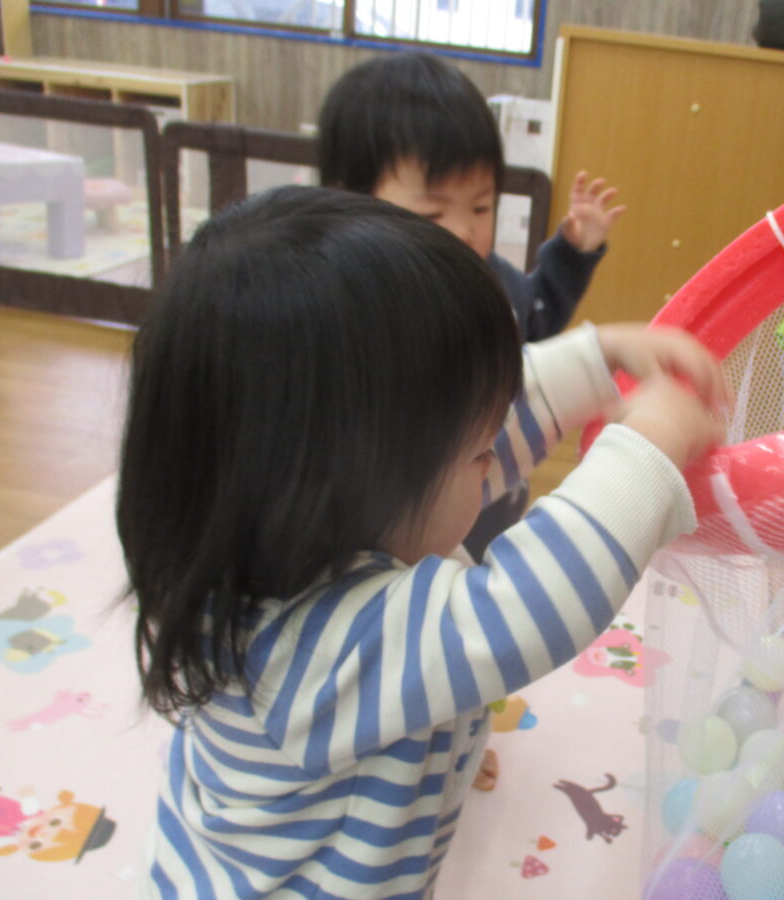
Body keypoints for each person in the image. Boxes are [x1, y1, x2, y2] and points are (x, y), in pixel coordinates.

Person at [117, 185, 724, 899]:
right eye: (478, 453)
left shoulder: (308, 529)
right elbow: (532, 608)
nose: (495, 459)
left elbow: (480, 426)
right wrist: (647, 444)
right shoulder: (306, 652)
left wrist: (599, 357)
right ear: (340, 491)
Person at [316, 52, 625, 563]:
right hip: (403, 541)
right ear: (349, 205)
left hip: (494, 512)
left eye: (481, 207)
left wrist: (572, 254)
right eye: (432, 212)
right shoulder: (352, 314)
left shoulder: (489, 280)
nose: (464, 230)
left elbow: (537, 319)